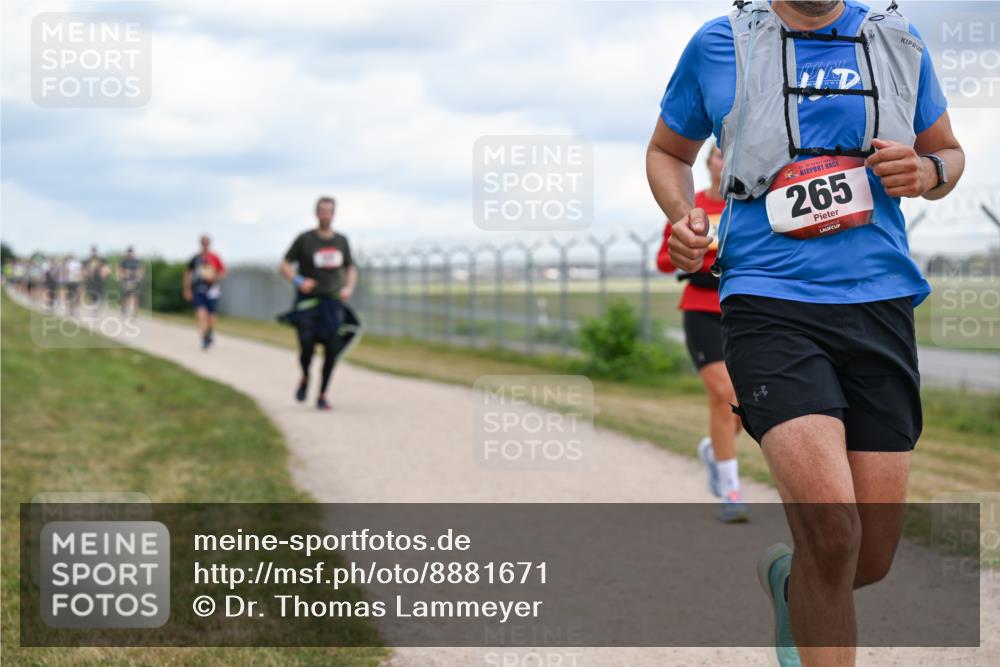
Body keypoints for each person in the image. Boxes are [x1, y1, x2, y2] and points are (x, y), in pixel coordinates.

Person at [646, 1, 963, 666]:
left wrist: (929, 172)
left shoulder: (897, 40)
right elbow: (668, 151)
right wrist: (683, 217)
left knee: (865, 558)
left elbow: (948, 153)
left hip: (879, 304)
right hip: (769, 302)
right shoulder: (721, 43)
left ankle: (792, 584)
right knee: (831, 529)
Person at [656, 144, 746, 523]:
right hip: (701, 309)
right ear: (708, 163)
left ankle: (714, 450)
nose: (724, 162)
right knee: (724, 396)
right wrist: (699, 247)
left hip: (745, 313)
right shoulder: (691, 209)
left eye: (732, 154)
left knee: (746, 405)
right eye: (718, 155)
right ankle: (731, 490)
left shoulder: (749, 207)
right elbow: (664, 258)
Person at [280, 196, 358, 411]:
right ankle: (305, 376)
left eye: (329, 211)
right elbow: (284, 265)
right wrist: (298, 280)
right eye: (322, 211)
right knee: (306, 347)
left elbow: (351, 267)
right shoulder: (305, 239)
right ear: (316, 213)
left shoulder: (341, 241)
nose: (325, 215)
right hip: (308, 303)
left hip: (332, 303)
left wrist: (348, 287)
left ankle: (323, 394)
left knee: (331, 349)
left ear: (334, 214)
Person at [183, 235, 226, 349]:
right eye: (203, 242)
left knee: (212, 316)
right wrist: (187, 289)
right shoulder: (196, 258)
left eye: (206, 242)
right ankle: (204, 338)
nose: (205, 244)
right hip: (198, 290)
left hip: (212, 290)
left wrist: (214, 277)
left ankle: (209, 332)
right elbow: (187, 273)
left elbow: (223, 272)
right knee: (201, 314)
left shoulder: (215, 257)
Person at [117, 246, 144, 317]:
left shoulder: (137, 261)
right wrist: (121, 277)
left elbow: (141, 269)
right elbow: (120, 270)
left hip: (135, 281)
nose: (130, 254)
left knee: (135, 296)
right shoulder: (124, 261)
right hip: (126, 281)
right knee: (126, 296)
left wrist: (140, 277)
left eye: (131, 252)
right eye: (129, 252)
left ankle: (135, 312)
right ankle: (124, 309)